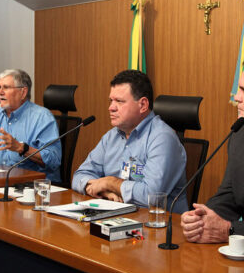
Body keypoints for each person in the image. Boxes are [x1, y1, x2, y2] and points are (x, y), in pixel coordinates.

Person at [181, 51, 244, 246]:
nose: (236, 97)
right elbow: (230, 195)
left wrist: (229, 230)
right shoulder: (242, 134)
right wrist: (202, 218)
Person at [72, 70, 188, 213]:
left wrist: (110, 182)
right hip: (117, 217)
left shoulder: (163, 138)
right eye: (111, 101)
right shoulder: (111, 136)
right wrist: (103, 191)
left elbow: (151, 196)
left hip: (157, 225)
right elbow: (79, 175)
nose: (111, 108)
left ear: (143, 105)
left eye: (119, 101)